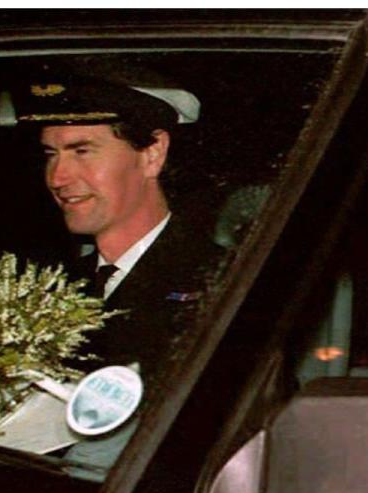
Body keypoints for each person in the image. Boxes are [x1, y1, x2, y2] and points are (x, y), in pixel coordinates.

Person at [14, 75, 223, 384]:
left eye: (82, 151)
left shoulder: (222, 281)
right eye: (50, 155)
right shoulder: (48, 285)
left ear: (153, 153)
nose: (58, 178)